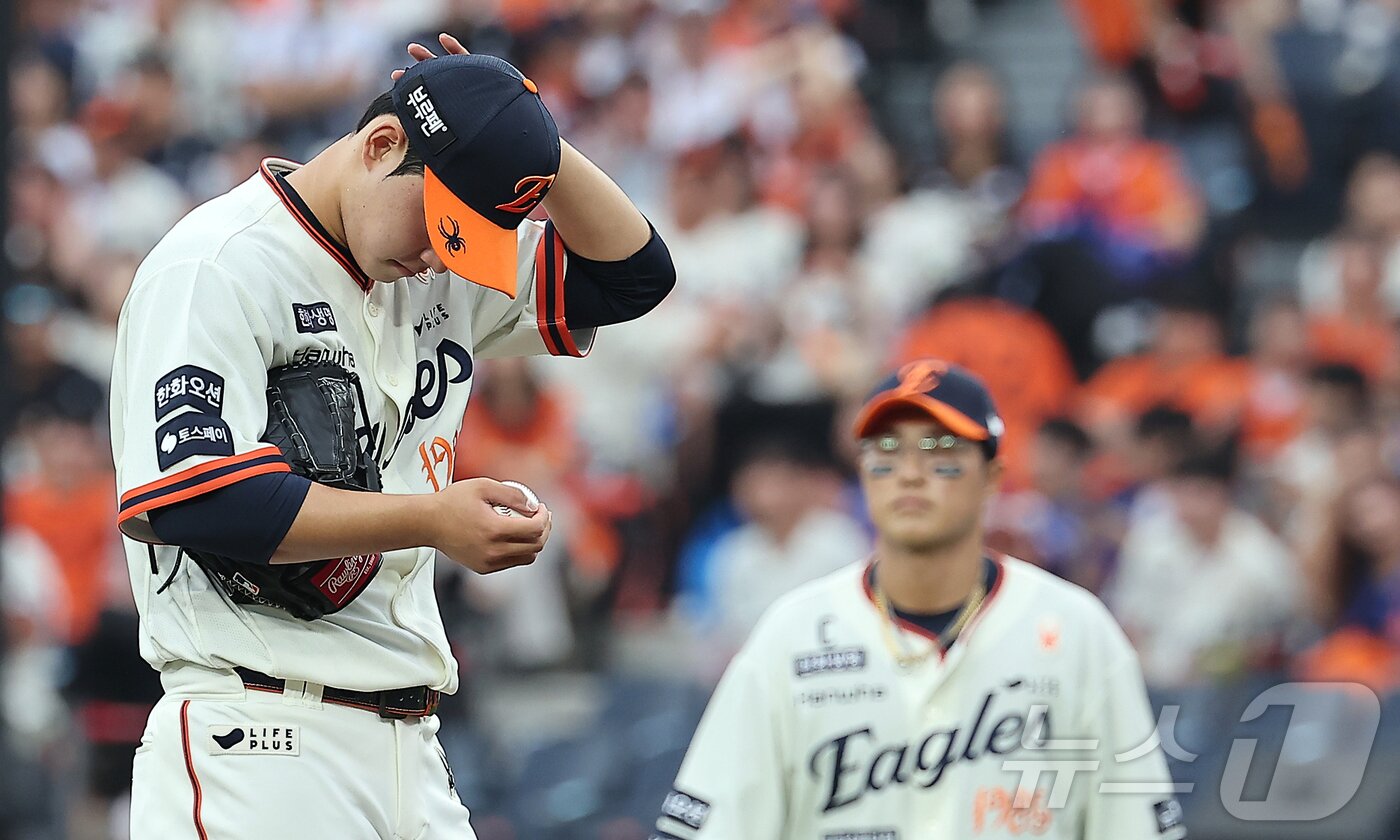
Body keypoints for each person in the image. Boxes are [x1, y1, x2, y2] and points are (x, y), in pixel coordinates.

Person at [110, 35, 674, 839]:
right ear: (380, 145)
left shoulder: (432, 269)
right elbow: (198, 501)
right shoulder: (215, 264)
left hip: (412, 739)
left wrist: (523, 128)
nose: (437, 255)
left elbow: (633, 275)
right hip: (263, 735)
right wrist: (431, 519)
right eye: (441, 224)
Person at [657, 360, 1182, 839]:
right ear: (862, 474)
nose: (910, 472)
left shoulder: (1077, 631)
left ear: (993, 477)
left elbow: (1136, 826)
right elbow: (708, 825)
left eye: (940, 450)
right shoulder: (791, 634)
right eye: (886, 451)